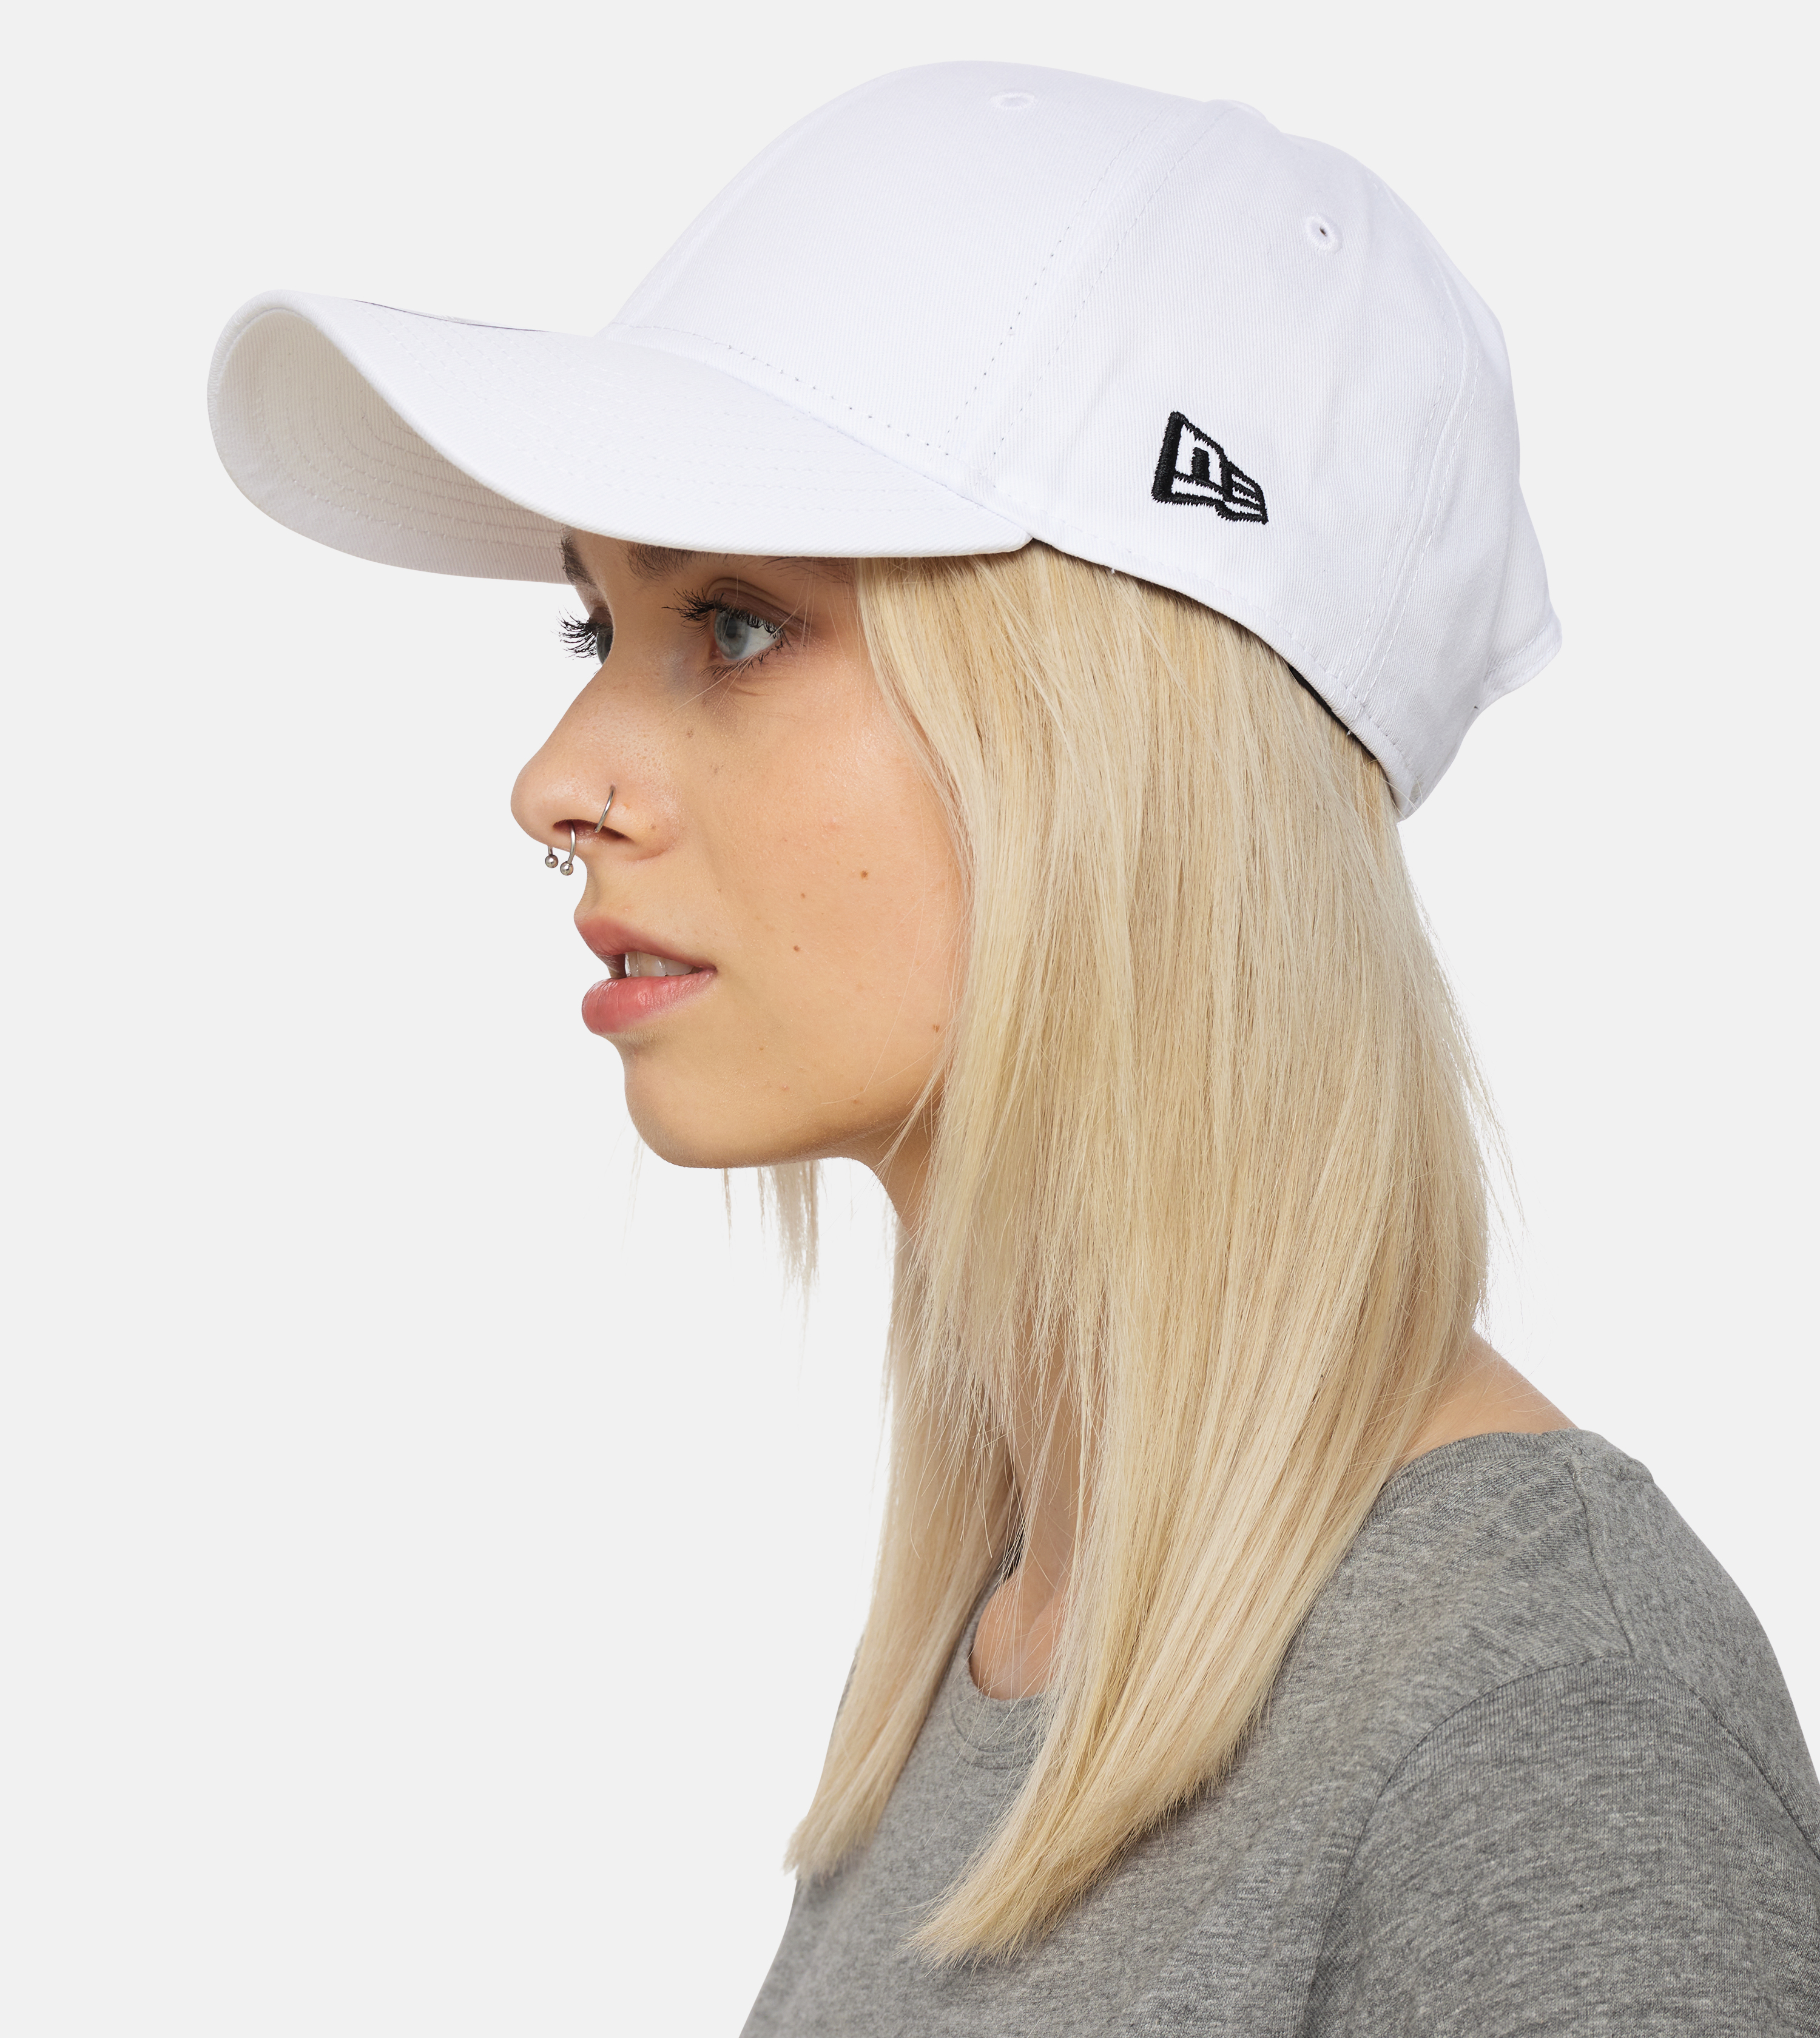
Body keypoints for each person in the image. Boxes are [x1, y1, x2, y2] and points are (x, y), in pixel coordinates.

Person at [207, 61, 1820, 2036]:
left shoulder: (1543, 1736)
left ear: (1122, 734)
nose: (557, 780)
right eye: (594, 630)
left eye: (735, 625)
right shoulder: (1014, 1647)